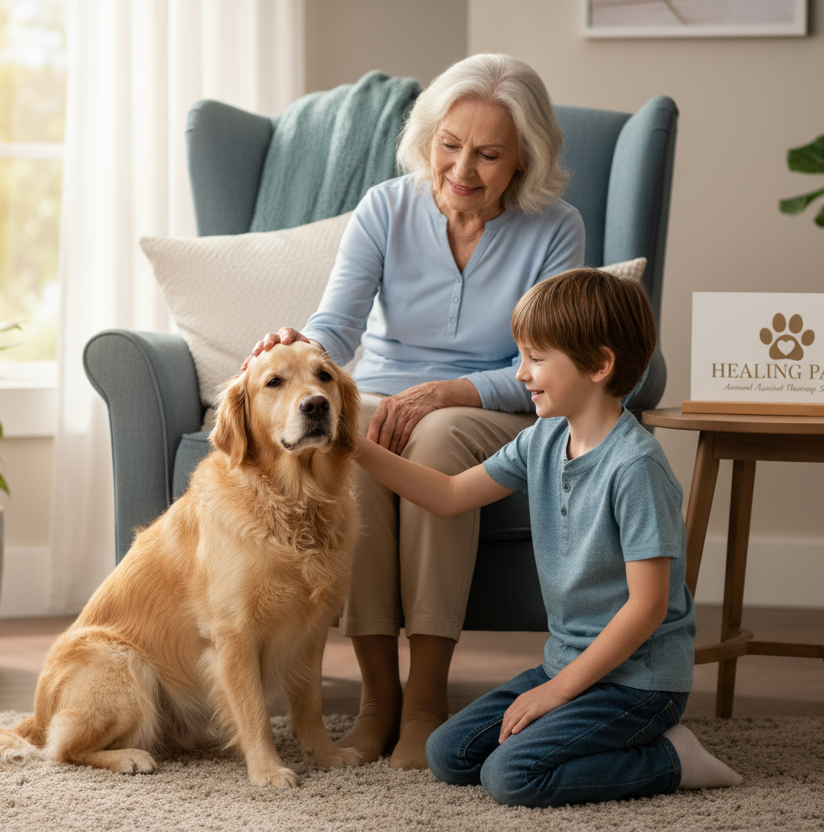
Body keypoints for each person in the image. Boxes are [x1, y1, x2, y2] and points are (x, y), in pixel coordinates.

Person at [244, 53, 586, 770]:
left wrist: (453, 390)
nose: (463, 168)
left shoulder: (556, 228)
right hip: (385, 400)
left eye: (489, 154)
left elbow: (549, 362)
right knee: (356, 444)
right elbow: (336, 329)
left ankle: (426, 700)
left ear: (525, 158)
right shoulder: (385, 207)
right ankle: (378, 703)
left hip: (496, 405)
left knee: (434, 438)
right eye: (450, 146)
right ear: (428, 138)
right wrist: (296, 344)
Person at [354, 269, 742, 805]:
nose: (519, 374)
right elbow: (446, 495)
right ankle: (602, 735)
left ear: (599, 365)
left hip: (640, 685)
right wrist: (352, 447)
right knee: (449, 752)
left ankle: (671, 757)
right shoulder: (542, 438)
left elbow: (648, 607)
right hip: (567, 663)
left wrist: (554, 694)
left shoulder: (636, 468)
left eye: (536, 358)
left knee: (512, 776)